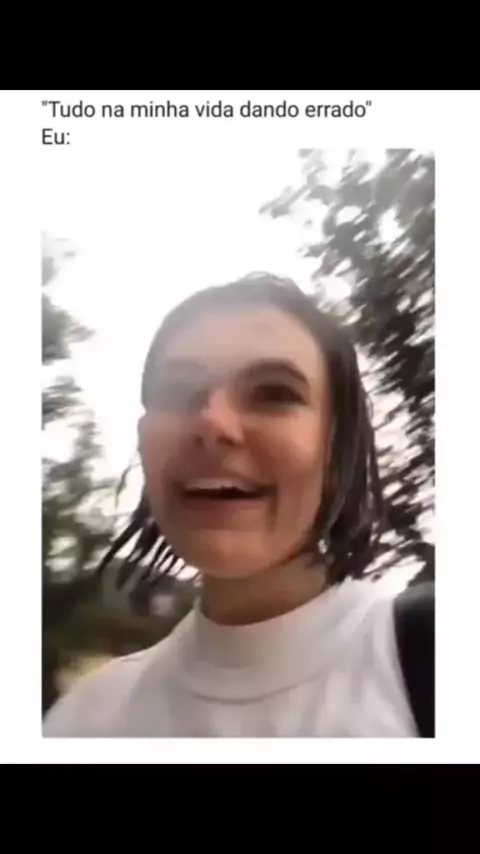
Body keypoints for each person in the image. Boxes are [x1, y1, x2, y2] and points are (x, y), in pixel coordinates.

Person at [43, 273, 434, 738]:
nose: (213, 424)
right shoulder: (83, 721)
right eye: (179, 391)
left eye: (274, 394)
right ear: (144, 441)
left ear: (337, 447)